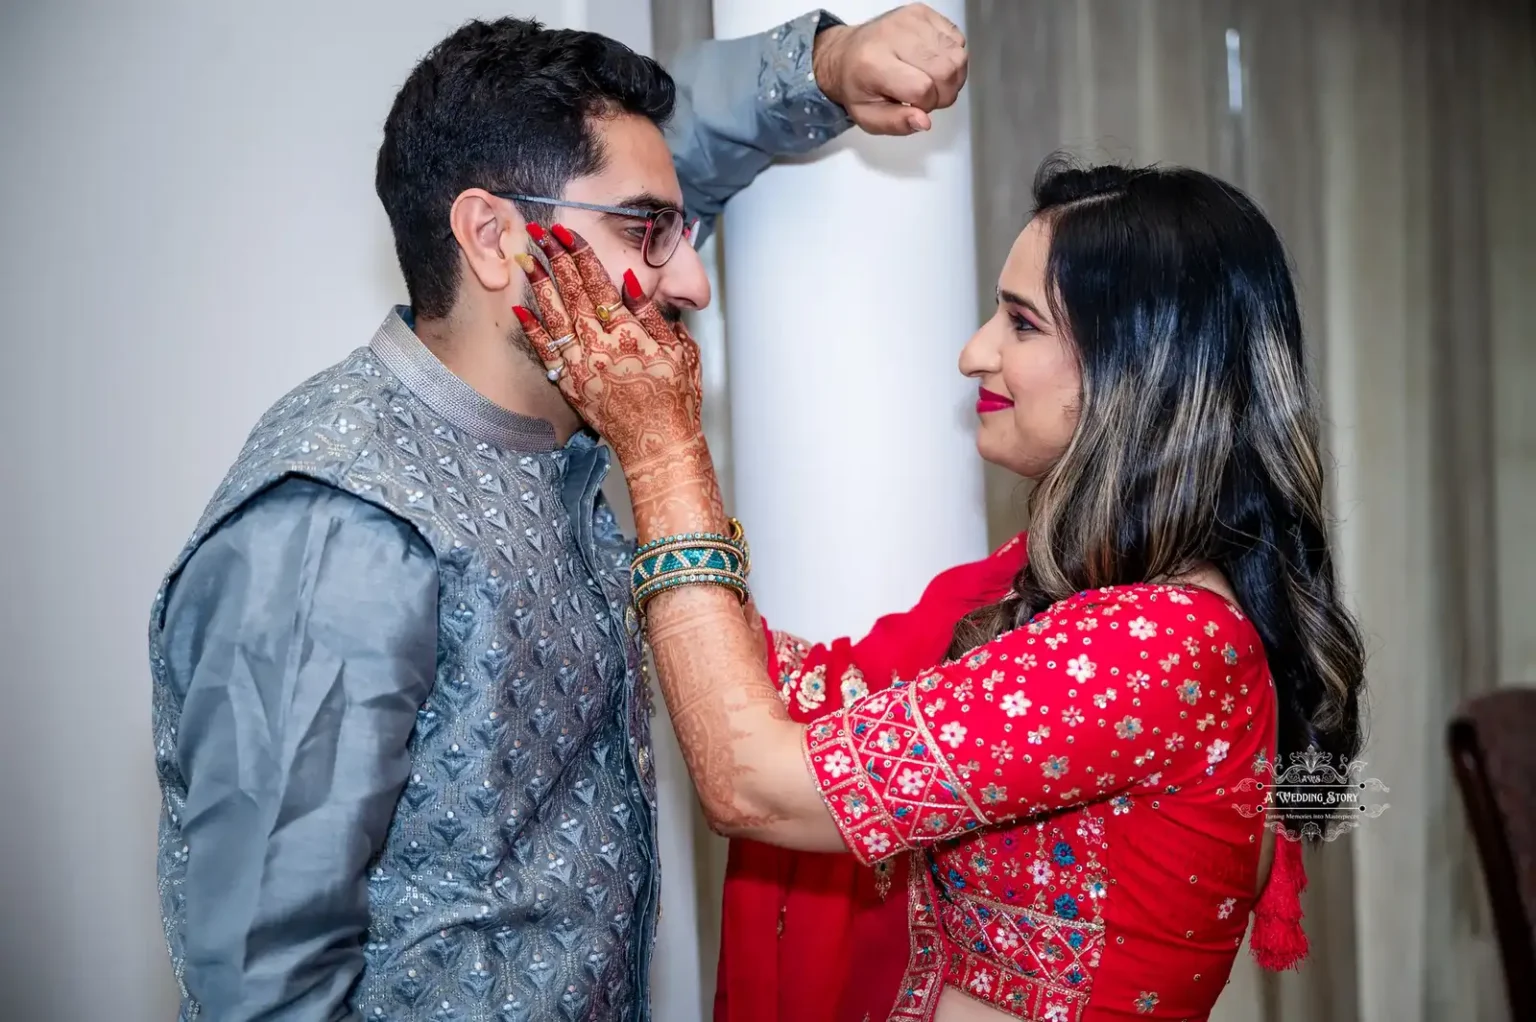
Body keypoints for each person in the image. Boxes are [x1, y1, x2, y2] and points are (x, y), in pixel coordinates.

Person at [147, 7, 968, 1021]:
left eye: (683, 228)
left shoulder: (559, 417)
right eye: (651, 230)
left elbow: (653, 166)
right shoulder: (341, 527)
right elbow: (261, 984)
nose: (695, 281)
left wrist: (824, 63)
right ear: (494, 237)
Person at [515, 157, 1368, 1022]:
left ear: (1138, 369)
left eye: (1022, 323)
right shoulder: (1051, 597)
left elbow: (757, 783)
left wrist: (664, 456)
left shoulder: (1157, 643)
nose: (975, 353)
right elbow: (802, 699)